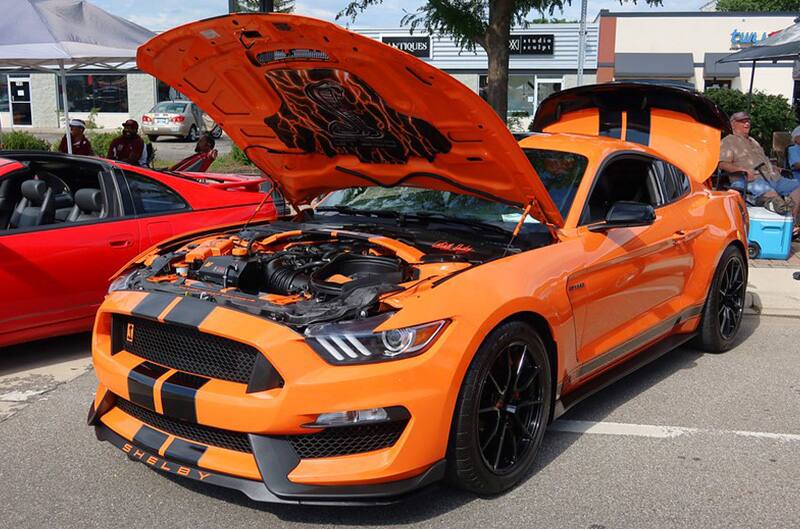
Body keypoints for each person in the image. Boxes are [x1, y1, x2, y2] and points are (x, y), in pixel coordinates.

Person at [719, 112, 800, 227]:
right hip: (749, 179)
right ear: (732, 124)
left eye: (748, 120)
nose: (747, 123)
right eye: (742, 121)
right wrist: (742, 170)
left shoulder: (754, 141)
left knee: (797, 187)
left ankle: (791, 223)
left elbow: (763, 160)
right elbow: (722, 163)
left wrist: (775, 167)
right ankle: (778, 218)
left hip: (771, 177)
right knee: (776, 200)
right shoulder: (728, 141)